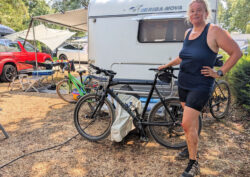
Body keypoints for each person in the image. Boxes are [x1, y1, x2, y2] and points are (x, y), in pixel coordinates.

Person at [158, 0, 242, 176]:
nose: (195, 14)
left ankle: (193, 163)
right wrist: (166, 65)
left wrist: (219, 72)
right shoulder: (188, 32)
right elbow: (183, 57)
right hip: (184, 83)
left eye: (199, 10)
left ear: (206, 13)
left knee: (186, 123)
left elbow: (236, 52)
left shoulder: (214, 31)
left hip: (201, 85)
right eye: (192, 11)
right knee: (192, 124)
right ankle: (191, 149)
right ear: (189, 15)